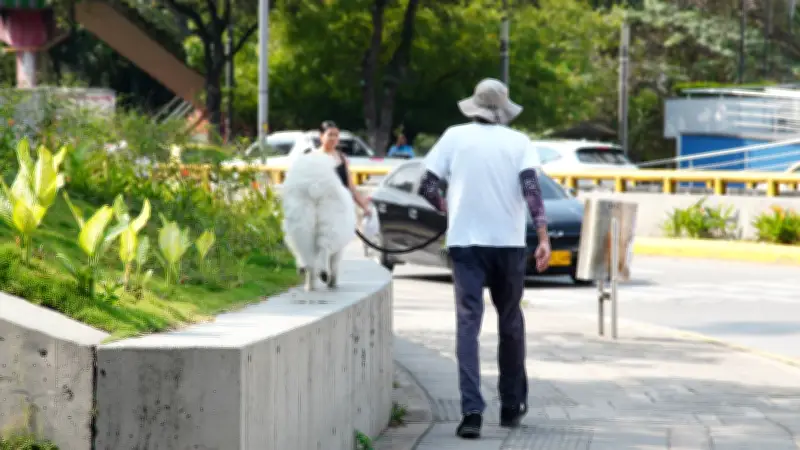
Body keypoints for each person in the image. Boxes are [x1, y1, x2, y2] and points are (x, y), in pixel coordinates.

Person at [416, 78, 550, 439]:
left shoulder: (453, 136)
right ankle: (510, 405)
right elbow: (531, 188)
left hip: (466, 245)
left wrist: (450, 208)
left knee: (467, 326)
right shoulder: (519, 142)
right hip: (508, 244)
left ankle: (472, 412)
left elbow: (426, 185)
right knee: (510, 323)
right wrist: (542, 235)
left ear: (474, 105)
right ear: (504, 108)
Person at [315, 120, 372, 217]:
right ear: (321, 136)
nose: (333, 138)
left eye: (336, 135)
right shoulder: (313, 157)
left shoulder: (342, 158)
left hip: (340, 209)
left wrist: (364, 206)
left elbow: (350, 186)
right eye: (330, 135)